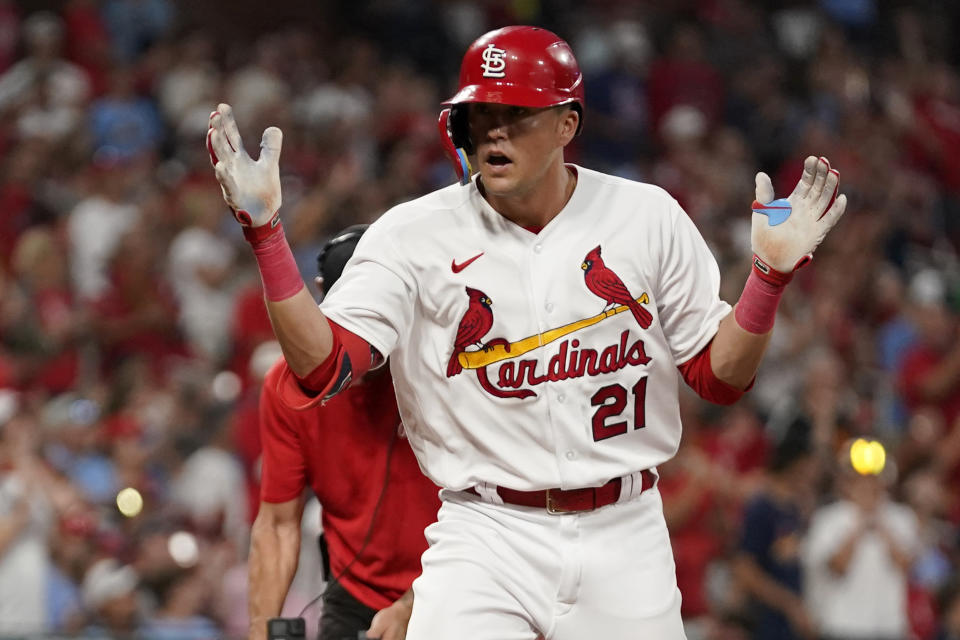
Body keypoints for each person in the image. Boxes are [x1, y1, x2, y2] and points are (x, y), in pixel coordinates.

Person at [209, 25, 847, 640]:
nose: (495, 131)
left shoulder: (646, 216)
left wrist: (766, 280)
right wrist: (266, 238)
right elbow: (323, 369)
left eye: (517, 114)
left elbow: (720, 377)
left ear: (567, 124)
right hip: (484, 530)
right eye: (481, 115)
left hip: (624, 531)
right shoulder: (411, 235)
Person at [247, 225, 441, 640]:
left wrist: (417, 601)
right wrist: (261, 629)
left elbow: (493, 508)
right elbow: (278, 523)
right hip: (354, 597)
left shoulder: (445, 369)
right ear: (321, 296)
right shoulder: (287, 388)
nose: (362, 337)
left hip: (455, 591)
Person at [803, 443, 918, 640]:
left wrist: (880, 522)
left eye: (873, 479)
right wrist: (859, 524)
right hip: (841, 625)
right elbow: (838, 567)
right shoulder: (828, 518)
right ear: (846, 482)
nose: (867, 485)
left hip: (888, 626)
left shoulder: (902, 517)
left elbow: (905, 565)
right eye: (859, 479)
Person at [733, 424, 817, 640]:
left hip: (797, 622)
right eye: (810, 462)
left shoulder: (799, 506)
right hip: (767, 622)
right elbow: (745, 570)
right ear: (797, 462)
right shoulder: (762, 508)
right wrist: (789, 604)